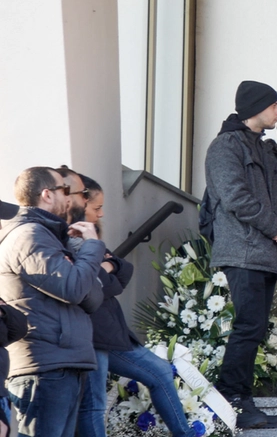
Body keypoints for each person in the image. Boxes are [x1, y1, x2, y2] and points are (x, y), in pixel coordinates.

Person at [73, 175, 196, 437]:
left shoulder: (90, 237)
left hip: (111, 332)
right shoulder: (68, 239)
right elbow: (90, 286)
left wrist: (108, 268)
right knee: (93, 406)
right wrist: (108, 272)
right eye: (96, 208)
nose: (102, 213)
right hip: (91, 334)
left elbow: (123, 270)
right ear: (79, 203)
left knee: (161, 372)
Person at [205, 80, 277, 429]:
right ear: (256, 109)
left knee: (254, 328)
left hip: (264, 253)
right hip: (242, 252)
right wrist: (275, 227)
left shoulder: (263, 148)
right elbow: (235, 198)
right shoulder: (224, 147)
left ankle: (239, 400)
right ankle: (233, 402)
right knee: (247, 328)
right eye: (274, 105)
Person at [0, 167, 104, 437]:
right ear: (47, 194)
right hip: (44, 368)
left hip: (63, 362)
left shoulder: (51, 236)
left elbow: (92, 298)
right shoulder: (29, 235)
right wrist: (92, 247)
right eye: (65, 190)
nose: (70, 199)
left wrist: (80, 253)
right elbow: (73, 288)